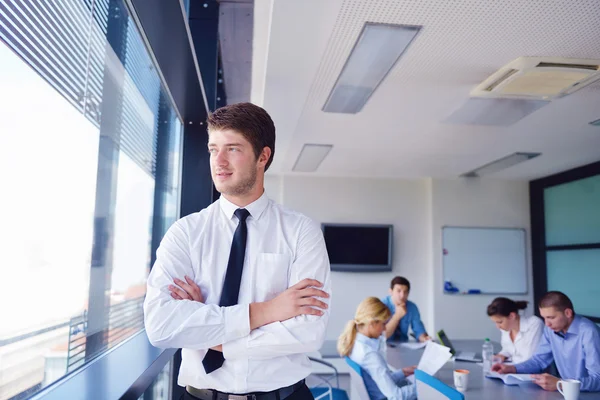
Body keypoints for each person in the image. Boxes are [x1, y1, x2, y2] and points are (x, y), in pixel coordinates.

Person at [143, 102, 332, 400]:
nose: (218, 161)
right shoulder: (186, 233)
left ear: (263, 156)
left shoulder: (301, 232)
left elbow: (308, 331)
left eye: (232, 148)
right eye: (212, 148)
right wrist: (268, 311)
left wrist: (211, 333)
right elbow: (161, 326)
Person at [492, 291, 600, 392]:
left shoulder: (589, 332)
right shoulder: (551, 330)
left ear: (568, 313)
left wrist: (561, 384)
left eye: (551, 317)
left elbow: (597, 379)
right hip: (567, 393)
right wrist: (512, 368)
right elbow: (539, 360)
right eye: (544, 318)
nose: (547, 324)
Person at [338, 297, 418, 400]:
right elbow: (396, 396)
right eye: (383, 324)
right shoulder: (370, 355)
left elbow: (379, 380)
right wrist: (423, 387)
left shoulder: (355, 344)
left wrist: (403, 372)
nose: (385, 329)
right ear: (372, 323)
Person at [486, 297, 544, 363]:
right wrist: (501, 355)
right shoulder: (506, 328)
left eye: (500, 322)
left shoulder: (534, 324)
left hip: (529, 371)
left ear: (512, 316)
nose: (498, 327)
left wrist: (508, 367)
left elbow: (529, 358)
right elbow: (508, 349)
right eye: (495, 322)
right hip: (513, 369)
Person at [382, 276, 430, 342]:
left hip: (403, 345)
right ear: (391, 291)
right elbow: (382, 336)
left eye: (405, 292)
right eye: (398, 291)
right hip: (384, 346)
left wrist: (424, 338)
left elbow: (419, 330)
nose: (402, 295)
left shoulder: (412, 307)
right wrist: (397, 316)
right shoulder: (381, 305)